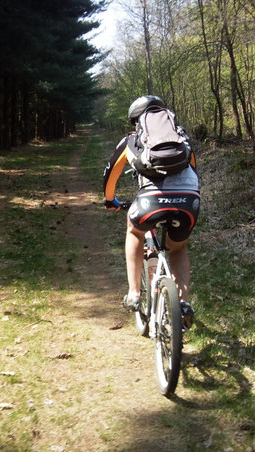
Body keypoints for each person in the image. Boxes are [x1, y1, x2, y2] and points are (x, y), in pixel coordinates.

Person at [102, 95, 200, 329]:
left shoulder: (132, 140)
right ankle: (183, 303)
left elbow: (110, 173)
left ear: (136, 120)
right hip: (188, 201)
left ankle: (134, 293)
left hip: (150, 202)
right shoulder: (181, 138)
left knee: (134, 231)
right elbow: (193, 169)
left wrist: (109, 200)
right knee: (178, 249)